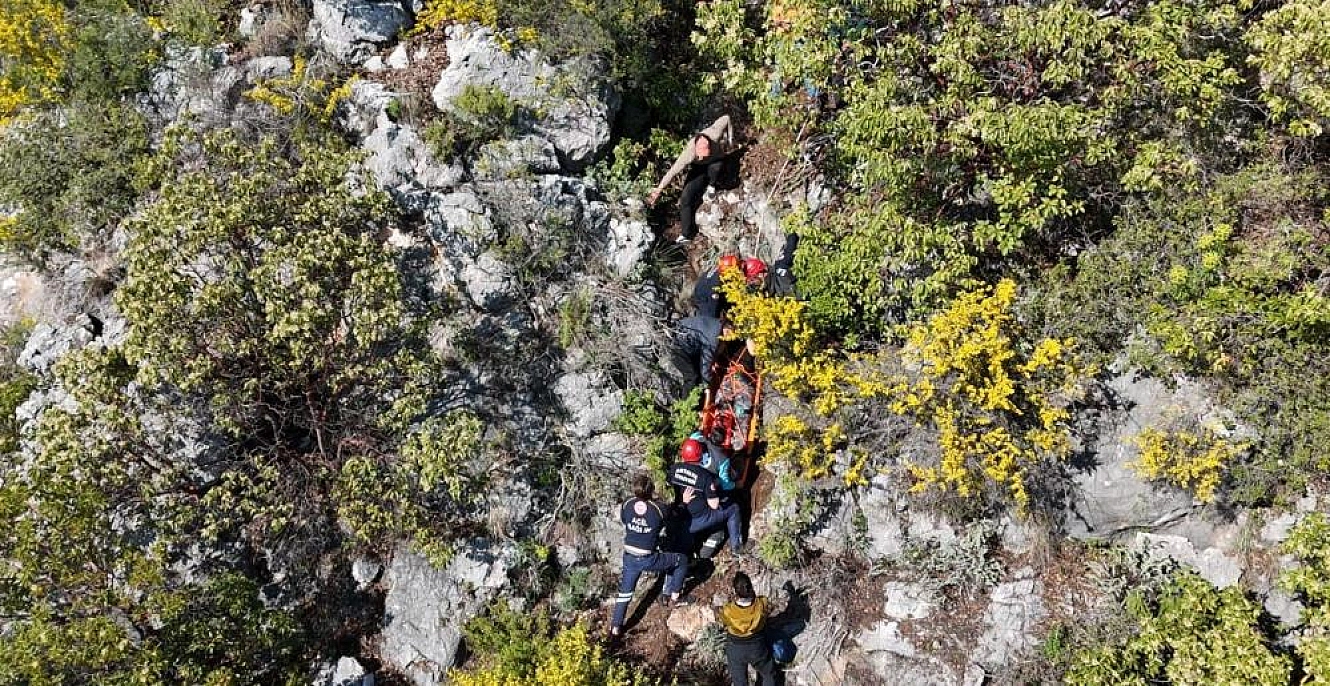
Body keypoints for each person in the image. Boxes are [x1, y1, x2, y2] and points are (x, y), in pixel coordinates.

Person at [610, 474, 691, 638]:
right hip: (648, 558)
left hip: (629, 557)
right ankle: (675, 595)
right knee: (681, 560)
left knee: (625, 594)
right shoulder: (658, 509)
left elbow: (625, 520)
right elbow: (675, 515)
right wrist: (684, 502)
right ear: (651, 490)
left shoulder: (627, 504)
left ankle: (615, 628)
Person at [647, 115, 736, 244]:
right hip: (699, 169)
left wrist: (730, 140)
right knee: (685, 197)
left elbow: (727, 118)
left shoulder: (714, 134)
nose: (702, 157)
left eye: (705, 155)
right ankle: (686, 234)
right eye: (700, 156)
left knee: (715, 168)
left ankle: (712, 186)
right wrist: (658, 190)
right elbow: (673, 171)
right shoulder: (689, 153)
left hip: (716, 161)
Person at [667, 438, 744, 557]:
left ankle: (690, 552)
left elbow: (669, 484)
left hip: (682, 515)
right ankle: (737, 548)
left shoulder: (674, 469)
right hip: (700, 518)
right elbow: (714, 505)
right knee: (733, 508)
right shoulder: (705, 475)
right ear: (700, 455)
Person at [720, 572, 780, 686]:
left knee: (740, 682)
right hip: (757, 646)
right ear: (751, 587)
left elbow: (724, 621)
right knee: (768, 673)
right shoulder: (761, 603)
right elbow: (767, 611)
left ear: (735, 591)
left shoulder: (727, 610)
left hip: (735, 648)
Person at [675, 315, 723, 385]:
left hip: (683, 334)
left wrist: (714, 361)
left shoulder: (717, 324)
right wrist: (706, 385)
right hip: (677, 345)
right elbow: (706, 362)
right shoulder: (714, 337)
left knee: (698, 370)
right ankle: (689, 392)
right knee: (692, 378)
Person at [693, 254, 741, 318]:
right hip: (705, 299)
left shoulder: (718, 270)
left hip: (704, 292)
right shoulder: (717, 284)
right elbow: (713, 305)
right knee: (709, 319)